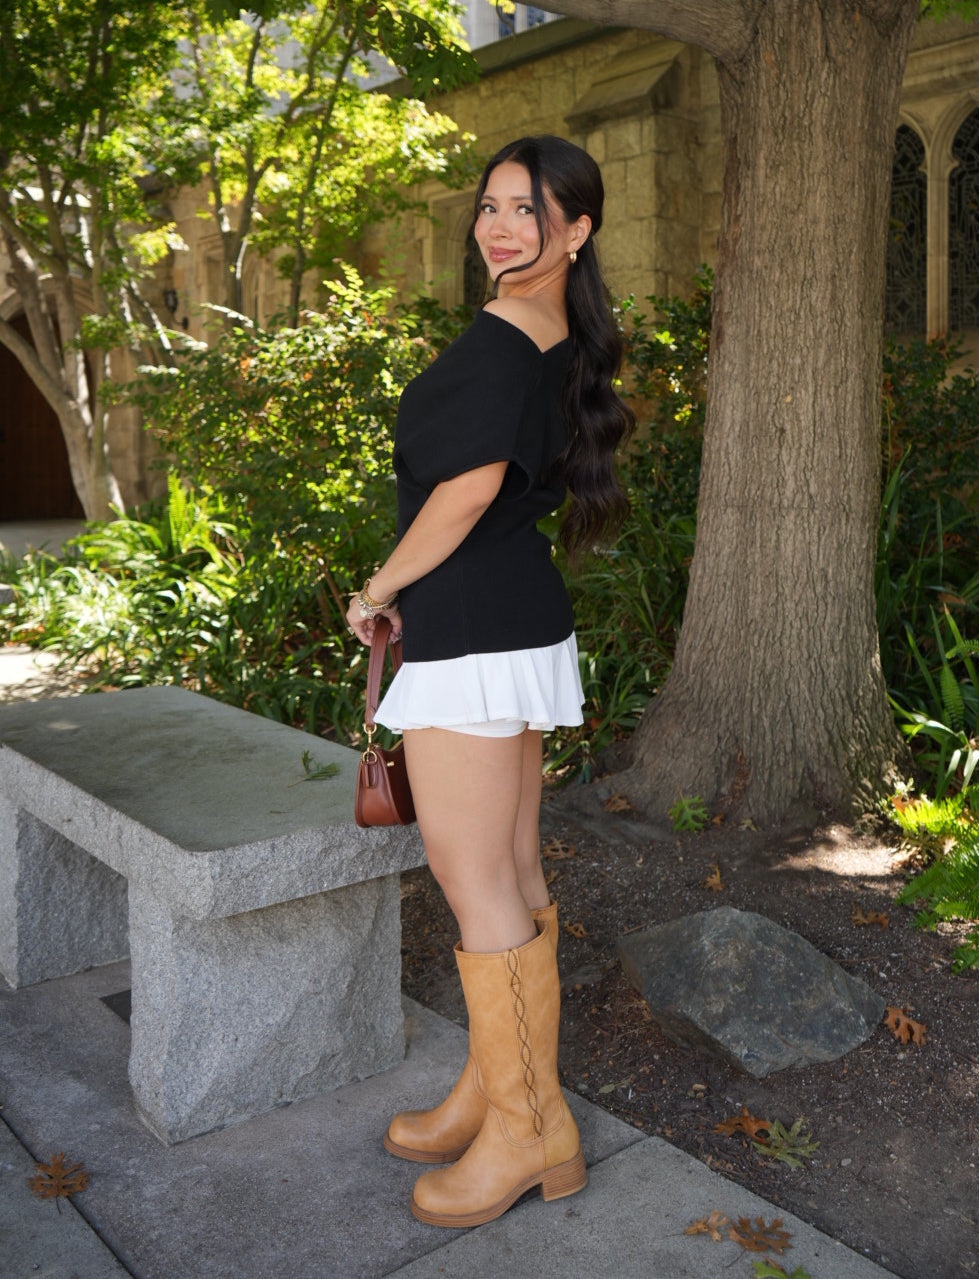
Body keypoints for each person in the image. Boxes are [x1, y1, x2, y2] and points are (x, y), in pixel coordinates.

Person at [346, 133, 633, 1229]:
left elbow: (462, 494)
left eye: (529, 210)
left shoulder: (508, 339)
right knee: (511, 872)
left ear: (577, 230)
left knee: (480, 888)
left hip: (472, 630)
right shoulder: (554, 332)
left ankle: (521, 1129)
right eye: (491, 206)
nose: (501, 226)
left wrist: (377, 588)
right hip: (514, 622)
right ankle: (508, 1095)